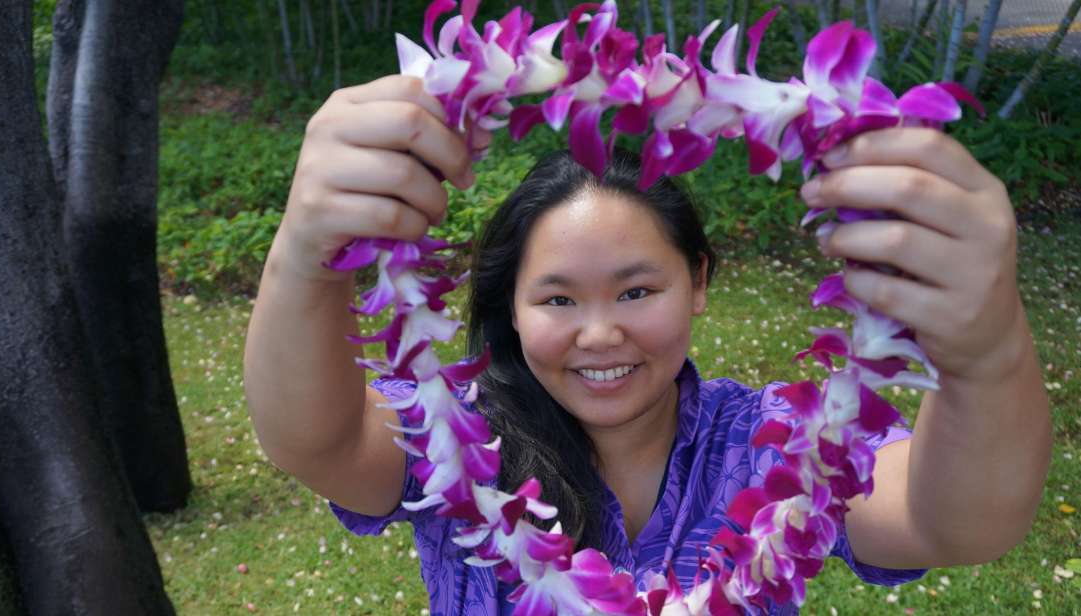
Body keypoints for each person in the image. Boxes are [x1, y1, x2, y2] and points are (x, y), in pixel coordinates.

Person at [244, 75, 1052, 614]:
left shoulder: (768, 444)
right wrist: (305, 255)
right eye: (557, 297)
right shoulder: (460, 435)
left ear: (696, 281)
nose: (601, 333)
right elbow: (317, 438)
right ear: (512, 310)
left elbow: (952, 520)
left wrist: (986, 354)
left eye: (637, 291)